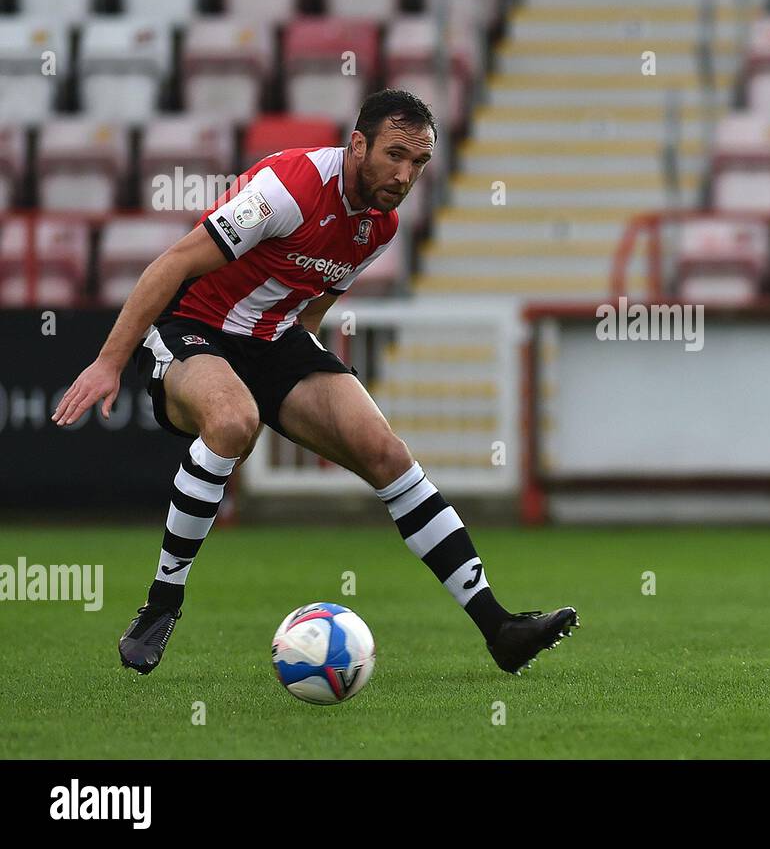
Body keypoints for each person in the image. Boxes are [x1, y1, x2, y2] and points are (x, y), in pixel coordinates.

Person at [52, 89, 578, 677]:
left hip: (275, 339)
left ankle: (498, 628)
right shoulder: (289, 187)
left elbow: (313, 305)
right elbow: (174, 263)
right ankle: (162, 602)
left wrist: (314, 390)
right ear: (358, 145)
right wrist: (108, 362)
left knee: (387, 453)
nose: (406, 176)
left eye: (420, 164)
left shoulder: (380, 224)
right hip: (193, 327)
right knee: (233, 421)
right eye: (396, 156)